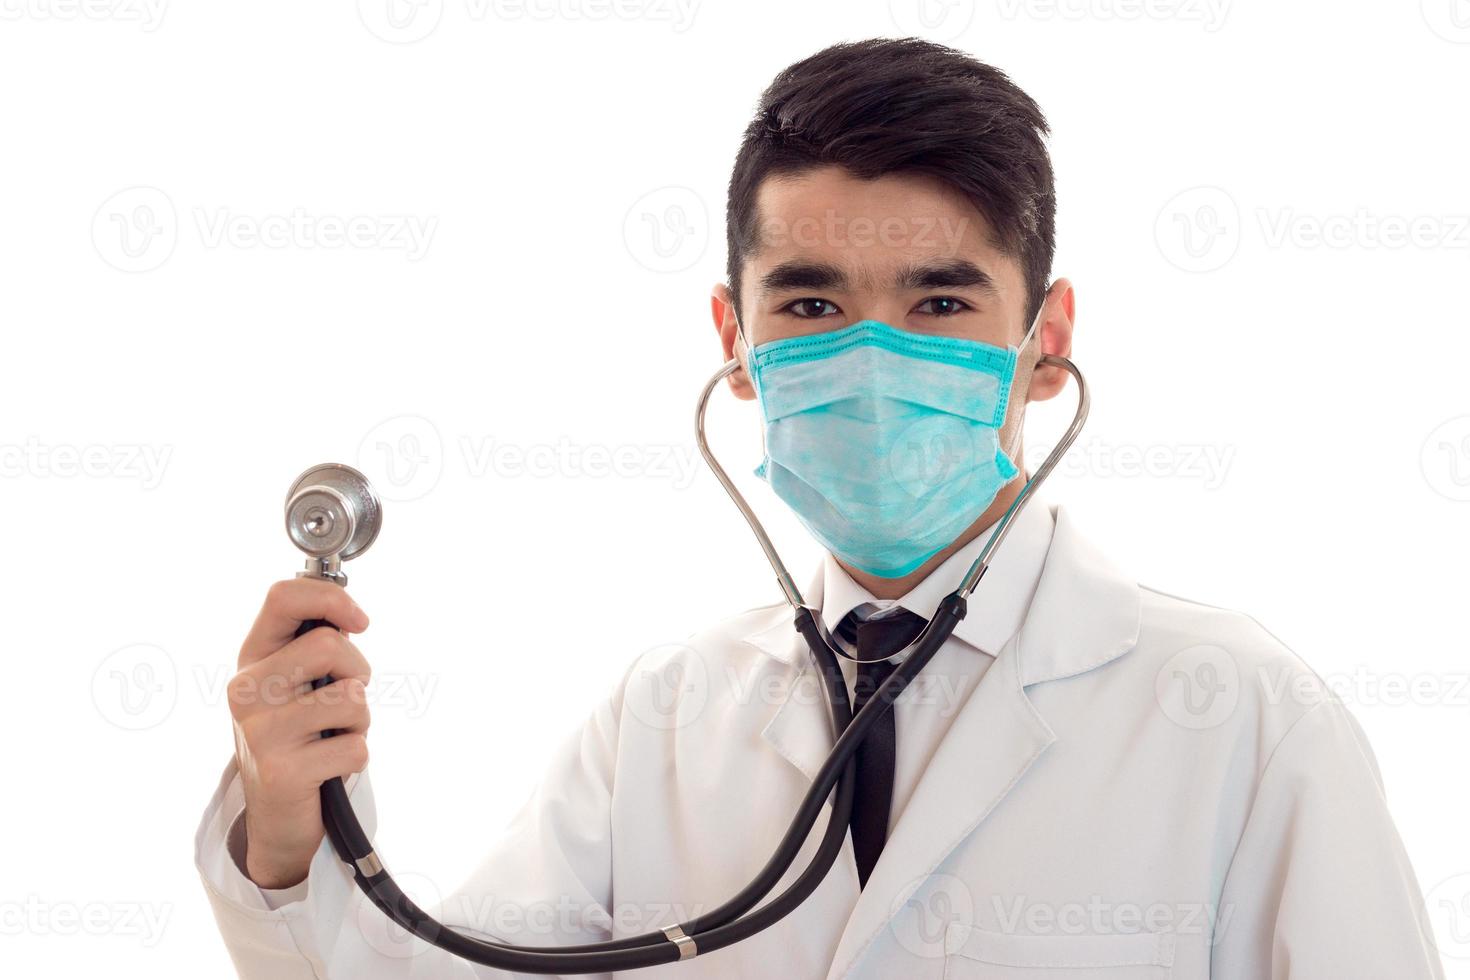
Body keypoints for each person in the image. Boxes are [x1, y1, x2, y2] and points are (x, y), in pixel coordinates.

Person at [195, 38, 1444, 979]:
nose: (872, 355)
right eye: (810, 305)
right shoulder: (667, 715)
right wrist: (295, 832)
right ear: (734, 341)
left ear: (1046, 343)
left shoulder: (1240, 712)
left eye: (942, 305)